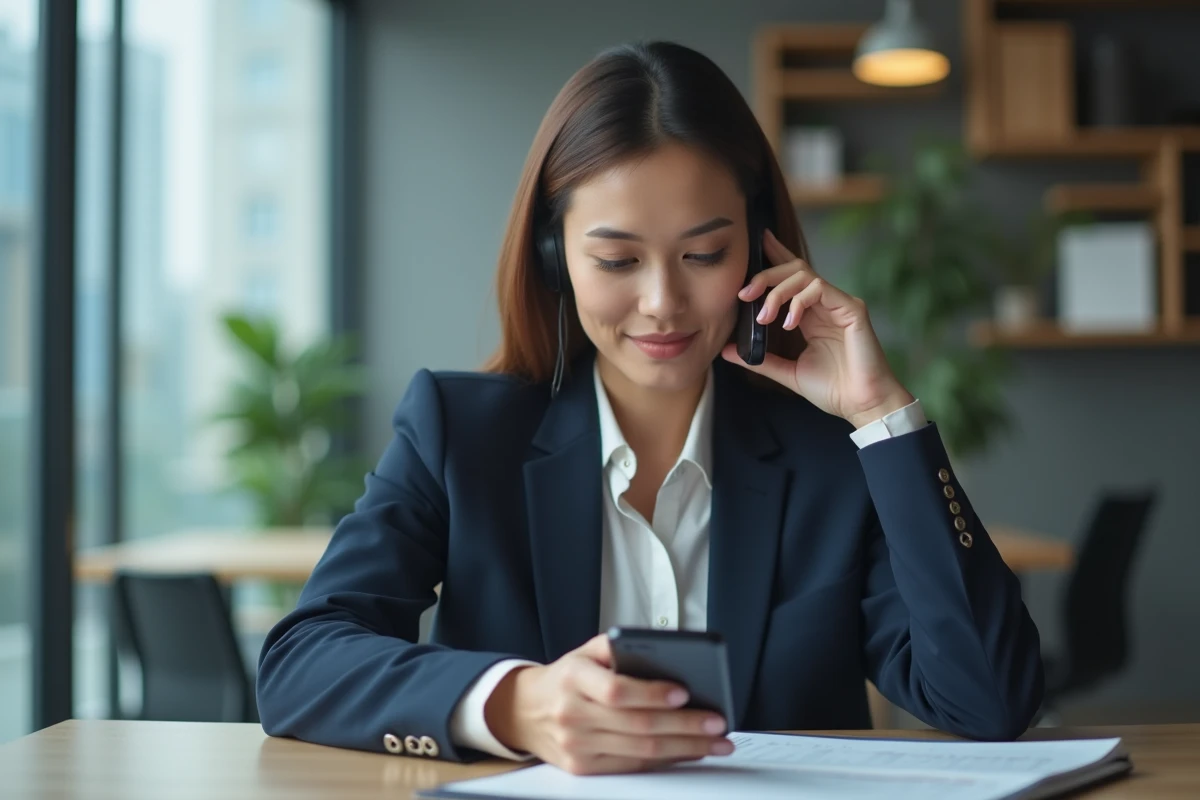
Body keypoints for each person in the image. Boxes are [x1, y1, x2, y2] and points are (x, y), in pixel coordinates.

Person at [256, 41, 1043, 775]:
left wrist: (882, 413)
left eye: (703, 254)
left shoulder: (834, 452)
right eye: (617, 259)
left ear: (760, 245)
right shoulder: (458, 433)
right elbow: (302, 663)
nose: (664, 302)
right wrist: (517, 703)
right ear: (554, 254)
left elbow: (988, 702)